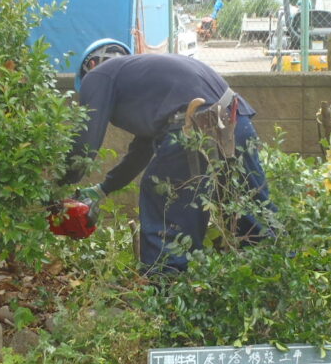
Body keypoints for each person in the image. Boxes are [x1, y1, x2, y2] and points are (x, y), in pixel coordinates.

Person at [59, 53, 274, 274]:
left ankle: (167, 286)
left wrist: (59, 182)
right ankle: (273, 270)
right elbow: (141, 151)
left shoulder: (97, 75)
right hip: (236, 117)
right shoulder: (148, 80)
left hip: (195, 124)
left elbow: (86, 143)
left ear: (91, 64)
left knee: (163, 201)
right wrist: (103, 189)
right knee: (249, 207)